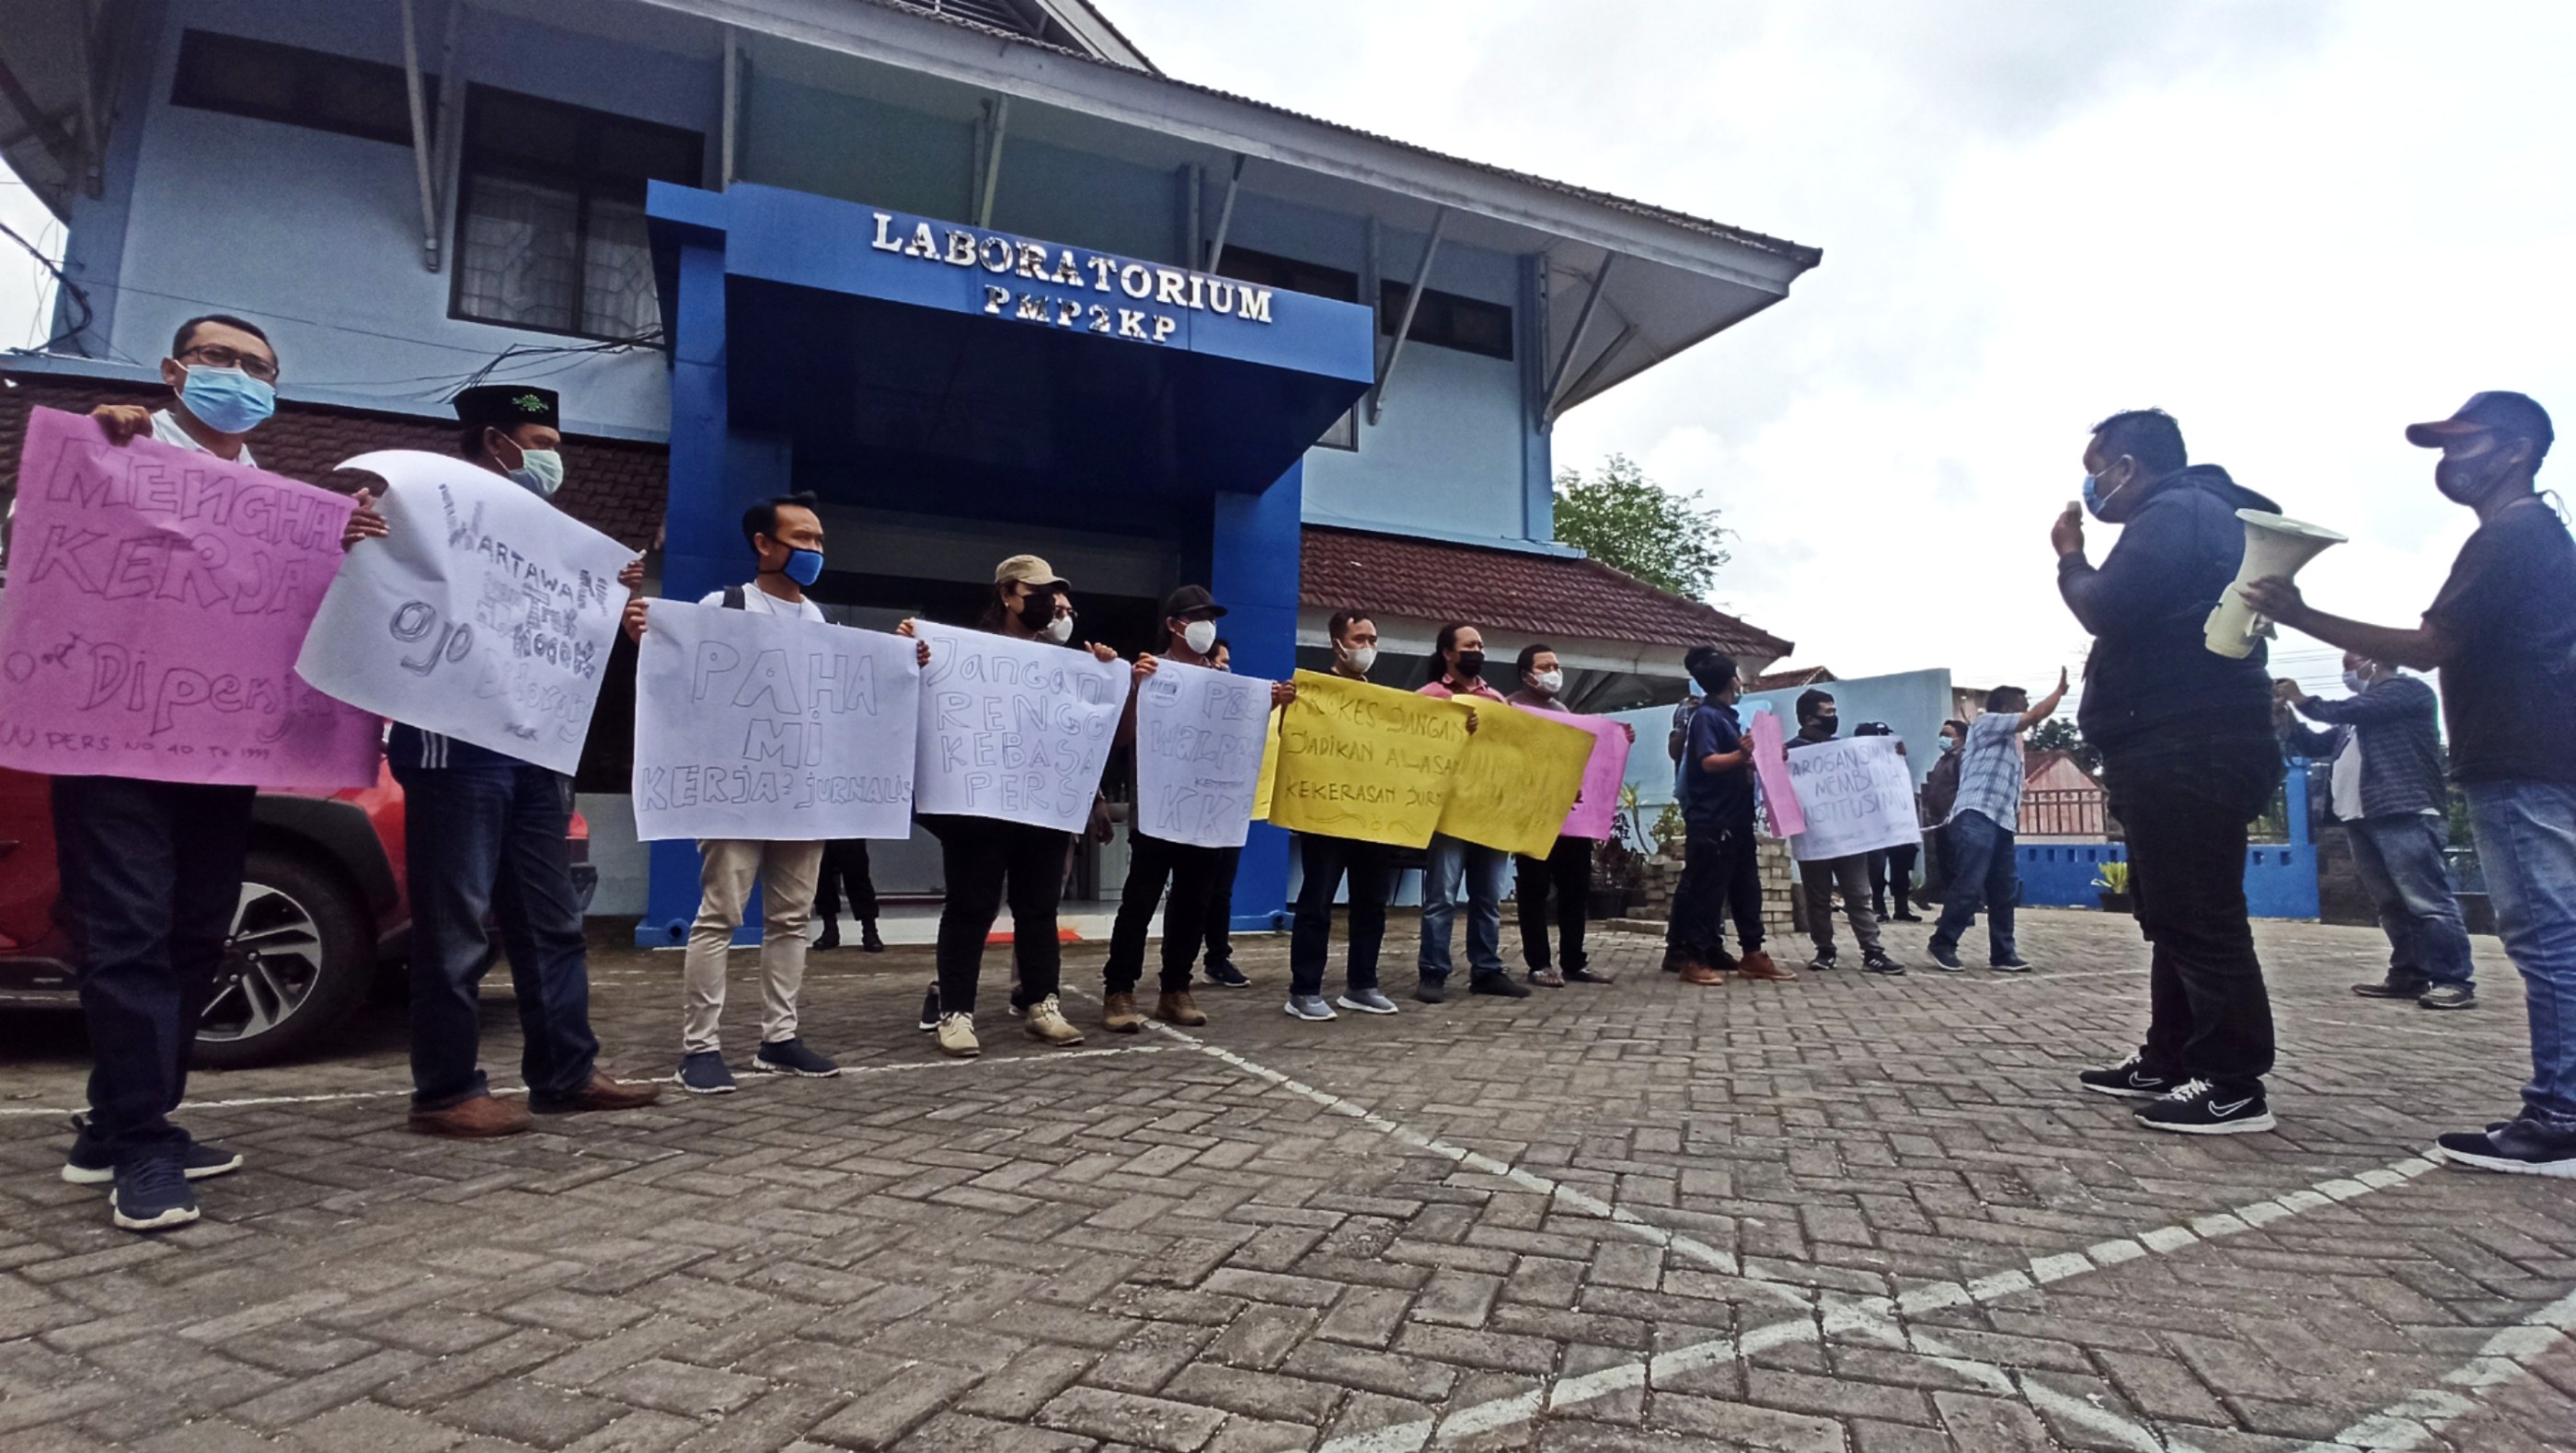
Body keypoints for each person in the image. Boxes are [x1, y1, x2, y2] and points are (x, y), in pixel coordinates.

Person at [2244, 391, 2574, 1176]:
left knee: (2546, 937)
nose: (2447, 460)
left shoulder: (2515, 533)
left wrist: (2301, 610)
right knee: (2548, 933)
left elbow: (2430, 646)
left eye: (2466, 443)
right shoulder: (2531, 536)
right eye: (2441, 446)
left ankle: (2560, 1116)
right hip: (2532, 755)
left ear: (2517, 449)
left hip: (2520, 760)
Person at [338, 385, 661, 1138]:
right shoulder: (419, 505)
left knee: (550, 921)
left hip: (536, 746)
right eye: (540, 441)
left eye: (555, 443)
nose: (553, 457)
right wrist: (350, 532)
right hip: (457, 745)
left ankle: (565, 1071)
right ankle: (446, 1089)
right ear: (497, 443)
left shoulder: (555, 533)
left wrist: (613, 606)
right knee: (456, 928)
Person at [54, 315, 283, 1231]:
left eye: (257, 367)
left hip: (215, 751)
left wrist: (344, 541)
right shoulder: (116, 443)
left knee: (194, 932)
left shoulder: (269, 495)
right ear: (173, 371)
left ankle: (113, 1124)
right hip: (111, 743)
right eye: (220, 359)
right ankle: (144, 1144)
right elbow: (43, 549)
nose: (238, 377)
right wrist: (90, 453)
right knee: (130, 933)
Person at [623, 493, 924, 1093]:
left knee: (790, 920)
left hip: (801, 796)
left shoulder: (821, 624)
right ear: (763, 543)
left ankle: (778, 1038)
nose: (813, 550)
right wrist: (647, 640)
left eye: (818, 540)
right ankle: (699, 1048)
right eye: (801, 538)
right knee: (720, 916)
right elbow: (681, 682)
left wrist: (901, 660)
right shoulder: (723, 607)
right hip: (736, 794)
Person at [2055, 407, 2283, 1136]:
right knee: (2174, 913)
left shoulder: (2175, 511)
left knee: (2200, 914)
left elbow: (2105, 606)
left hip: (2184, 741)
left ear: (2129, 464)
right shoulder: (2211, 513)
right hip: (2186, 738)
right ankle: (2170, 1056)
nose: (2093, 488)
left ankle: (2232, 1082)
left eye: (2097, 472)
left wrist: (2070, 556)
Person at [901, 556, 1124, 1058]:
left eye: (1053, 593)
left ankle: (1042, 1003)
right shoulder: (961, 651)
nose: (1046, 602)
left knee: (1039, 908)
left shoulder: (1064, 662)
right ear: (1006, 593)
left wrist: (1103, 675)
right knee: (970, 906)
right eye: (1036, 591)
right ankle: (956, 1012)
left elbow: (1083, 733)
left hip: (1042, 805)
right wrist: (907, 656)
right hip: (976, 805)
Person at [1098, 586, 1293, 1032]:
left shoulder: (1227, 683)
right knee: (1139, 902)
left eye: (1211, 618)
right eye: (1196, 617)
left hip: (1210, 814)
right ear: (1173, 624)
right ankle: (1119, 990)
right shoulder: (1151, 671)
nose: (1206, 626)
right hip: (1159, 813)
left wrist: (1273, 704)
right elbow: (1124, 737)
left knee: (1193, 905)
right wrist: (1133, 688)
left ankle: (1174, 990)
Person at [2276, 657, 2474, 1009]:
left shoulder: (2405, 691)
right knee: (2391, 904)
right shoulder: (2357, 720)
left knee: (2427, 901)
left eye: (2350, 662)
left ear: (2373, 662)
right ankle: (2408, 976)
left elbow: (2336, 710)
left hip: (2404, 808)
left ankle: (2453, 979)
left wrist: (2302, 699)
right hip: (2359, 815)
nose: (2346, 671)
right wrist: (2286, 717)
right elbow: (2314, 745)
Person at [1284, 611, 1403, 1021]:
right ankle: (1303, 990)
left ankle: (1362, 985)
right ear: (1337, 643)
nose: (1367, 646)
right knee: (1317, 901)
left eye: (1372, 638)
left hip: (1373, 816)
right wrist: (1285, 708)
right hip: (1324, 814)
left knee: (1371, 902)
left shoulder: (1386, 703)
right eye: (1359, 638)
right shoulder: (1311, 694)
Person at [1505, 643, 1628, 986]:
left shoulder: (1563, 710)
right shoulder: (1513, 707)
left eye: (1556, 665)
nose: (1553, 672)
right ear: (1526, 674)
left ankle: (1574, 961)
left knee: (1576, 889)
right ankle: (1539, 964)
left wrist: (1618, 739)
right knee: (1534, 890)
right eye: (1545, 666)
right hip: (1533, 814)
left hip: (1572, 817)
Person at [1925, 675, 2066, 975]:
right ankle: (1943, 942)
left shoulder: (2013, 749)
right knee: (1970, 883)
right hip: (1976, 814)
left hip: (2001, 822)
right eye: (2021, 703)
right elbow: (2035, 716)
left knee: (2004, 889)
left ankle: (2003, 953)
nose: (2026, 707)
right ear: (2006, 707)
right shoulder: (1987, 723)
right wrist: (2060, 691)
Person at [1665, 649, 1789, 986]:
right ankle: (1693, 958)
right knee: (1708, 890)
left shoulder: (1728, 716)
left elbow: (1738, 760)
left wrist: (1763, 755)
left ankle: (1753, 952)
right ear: (1731, 679)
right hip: (1713, 818)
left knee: (1746, 886)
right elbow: (1708, 762)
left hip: (1736, 816)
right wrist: (1742, 754)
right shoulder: (1706, 716)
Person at [1416, 624, 1521, 1003]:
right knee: (1442, 896)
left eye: (1480, 645)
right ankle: (1433, 972)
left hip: (1491, 811)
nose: (1477, 650)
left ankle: (1487, 971)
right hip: (1449, 811)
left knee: (1488, 898)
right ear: (1448, 653)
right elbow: (1412, 745)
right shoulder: (1429, 696)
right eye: (1469, 645)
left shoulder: (1497, 699)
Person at [1788, 693, 1903, 975]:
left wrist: (1892, 756)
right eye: (1828, 711)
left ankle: (1873, 951)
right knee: (1818, 898)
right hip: (1814, 837)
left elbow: (1874, 774)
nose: (1834, 717)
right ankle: (1824, 950)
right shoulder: (1789, 753)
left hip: (1850, 837)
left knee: (1858, 895)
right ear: (1810, 718)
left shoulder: (1845, 749)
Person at [1196, 638, 1250, 989]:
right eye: (1218, 661)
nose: (1224, 668)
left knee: (1221, 890)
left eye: (1227, 662)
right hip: (1187, 810)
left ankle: (1217, 957)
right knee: (1190, 890)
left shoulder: (1239, 706)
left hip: (1228, 809)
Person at [1855, 722, 1923, 922]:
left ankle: (1901, 907)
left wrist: (1899, 757)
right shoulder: (1856, 761)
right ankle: (1878, 907)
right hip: (1873, 821)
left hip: (1897, 820)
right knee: (1876, 865)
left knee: (1901, 863)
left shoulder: (1895, 758)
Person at [1916, 719, 1968, 904]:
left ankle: (1962, 910)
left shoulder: (1962, 759)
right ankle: (1951, 908)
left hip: (1954, 822)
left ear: (1960, 739)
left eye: (1947, 735)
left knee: (1955, 867)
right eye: (1941, 735)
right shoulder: (1942, 761)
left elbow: (1964, 789)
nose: (1942, 738)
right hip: (1939, 823)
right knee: (1945, 867)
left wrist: (1953, 813)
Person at [811, 840, 883, 952]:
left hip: (849, 827)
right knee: (822, 874)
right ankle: (830, 929)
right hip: (820, 828)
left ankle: (870, 930)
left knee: (857, 875)